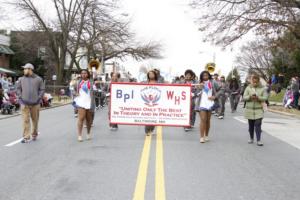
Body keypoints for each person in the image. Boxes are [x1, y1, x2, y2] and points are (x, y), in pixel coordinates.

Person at [16, 63, 45, 143]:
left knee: (35, 120)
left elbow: (42, 89)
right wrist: (20, 96)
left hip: (35, 104)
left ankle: (34, 134)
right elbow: (18, 89)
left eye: (25, 69)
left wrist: (39, 98)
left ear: (30, 69)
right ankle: (26, 137)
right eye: (24, 69)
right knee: (25, 120)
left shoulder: (38, 79)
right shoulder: (21, 79)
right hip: (24, 103)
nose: (24, 70)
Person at [243, 74, 268, 146]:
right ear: (251, 81)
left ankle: (259, 140)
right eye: (253, 82)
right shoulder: (248, 88)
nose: (254, 83)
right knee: (251, 125)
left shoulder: (263, 88)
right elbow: (244, 97)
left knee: (258, 124)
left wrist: (258, 98)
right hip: (249, 110)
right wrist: (250, 97)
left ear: (258, 81)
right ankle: (251, 138)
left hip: (259, 109)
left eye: (256, 82)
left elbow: (265, 97)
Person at [195, 71, 217, 143]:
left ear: (208, 76)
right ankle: (201, 137)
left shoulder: (213, 82)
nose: (205, 77)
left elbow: (222, 89)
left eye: (206, 75)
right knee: (203, 119)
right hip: (201, 104)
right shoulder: (199, 83)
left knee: (208, 120)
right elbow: (195, 93)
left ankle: (206, 135)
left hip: (210, 103)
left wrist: (215, 96)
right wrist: (199, 88)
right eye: (203, 75)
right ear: (201, 76)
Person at [73, 69, 95, 142]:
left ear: (88, 74)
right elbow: (72, 89)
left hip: (89, 102)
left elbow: (95, 90)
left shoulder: (91, 82)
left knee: (89, 120)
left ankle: (88, 133)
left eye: (85, 73)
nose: (83, 74)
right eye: (82, 73)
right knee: (81, 118)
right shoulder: (78, 82)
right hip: (81, 102)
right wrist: (75, 93)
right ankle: (79, 135)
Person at [145, 70, 158, 136]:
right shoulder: (146, 82)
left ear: (155, 75)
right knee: (147, 116)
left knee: (153, 117)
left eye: (152, 74)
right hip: (147, 101)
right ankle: (147, 130)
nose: (151, 75)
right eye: (149, 74)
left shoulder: (158, 83)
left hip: (155, 101)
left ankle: (152, 129)